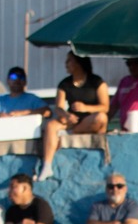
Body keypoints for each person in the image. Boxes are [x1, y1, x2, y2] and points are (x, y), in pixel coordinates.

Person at [38, 53, 108, 181]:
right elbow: (58, 107)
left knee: (101, 118)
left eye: (69, 61)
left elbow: (105, 106)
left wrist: (86, 108)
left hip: (89, 119)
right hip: (72, 120)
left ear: (79, 63)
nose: (66, 64)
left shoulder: (96, 82)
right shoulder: (64, 84)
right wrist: (66, 115)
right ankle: (47, 165)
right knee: (51, 125)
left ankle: (71, 132)